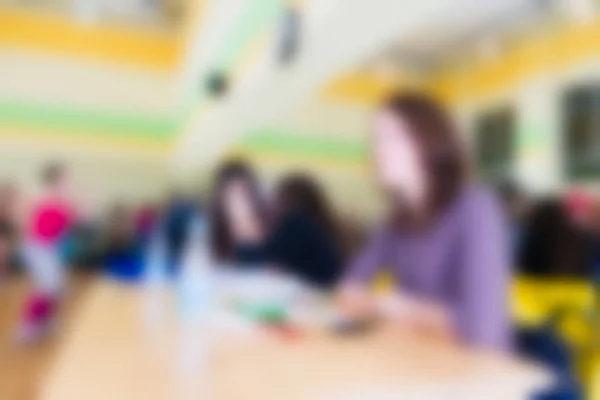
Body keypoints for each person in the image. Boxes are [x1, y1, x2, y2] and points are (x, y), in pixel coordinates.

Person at [339, 92, 511, 350]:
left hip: (479, 371)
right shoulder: (396, 220)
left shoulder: (475, 209)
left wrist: (401, 309)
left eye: (392, 138)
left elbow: (483, 328)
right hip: (420, 359)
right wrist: (392, 307)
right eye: (376, 139)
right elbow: (349, 289)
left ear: (427, 142)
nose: (377, 150)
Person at [234, 173, 344, 289]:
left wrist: (244, 224)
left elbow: (255, 263)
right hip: (319, 290)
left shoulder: (297, 226)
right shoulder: (316, 228)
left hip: (319, 294)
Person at [17, 163, 77, 342]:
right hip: (38, 248)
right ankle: (27, 327)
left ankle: (47, 321)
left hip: (51, 249)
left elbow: (64, 229)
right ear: (56, 178)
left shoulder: (62, 200)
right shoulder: (42, 198)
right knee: (47, 286)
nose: (70, 181)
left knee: (58, 288)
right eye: (66, 177)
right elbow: (31, 224)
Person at [208, 160, 266, 263]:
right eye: (232, 195)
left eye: (242, 193)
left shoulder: (270, 232)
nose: (238, 202)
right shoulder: (212, 233)